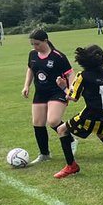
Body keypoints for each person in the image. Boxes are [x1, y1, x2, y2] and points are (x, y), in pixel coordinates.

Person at [52, 45, 103, 178]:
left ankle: (71, 166)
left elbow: (72, 97)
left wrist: (63, 86)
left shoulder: (83, 76)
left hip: (93, 113)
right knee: (100, 131)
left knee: (62, 130)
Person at [22, 29, 74, 164]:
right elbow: (30, 69)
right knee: (38, 123)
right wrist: (26, 85)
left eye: (37, 44)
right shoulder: (33, 54)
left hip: (57, 92)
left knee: (53, 121)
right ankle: (44, 154)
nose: (35, 47)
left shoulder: (58, 56)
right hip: (40, 92)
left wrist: (71, 89)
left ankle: (70, 138)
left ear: (45, 41)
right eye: (32, 44)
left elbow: (70, 73)